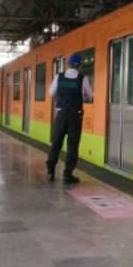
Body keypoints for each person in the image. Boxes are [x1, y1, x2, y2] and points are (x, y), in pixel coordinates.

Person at [46, 52, 93, 185]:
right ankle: (67, 175)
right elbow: (90, 96)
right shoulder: (83, 79)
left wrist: (61, 100)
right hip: (75, 116)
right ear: (79, 66)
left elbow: (51, 93)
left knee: (56, 143)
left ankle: (50, 171)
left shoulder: (59, 77)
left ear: (68, 64)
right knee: (72, 146)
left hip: (61, 115)